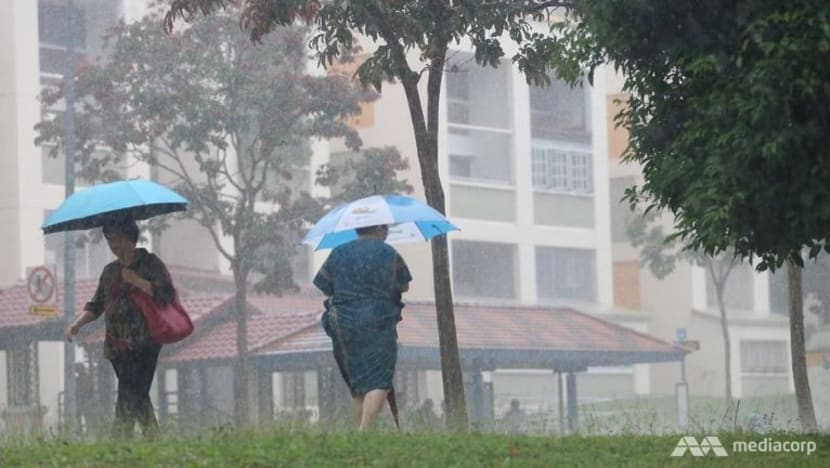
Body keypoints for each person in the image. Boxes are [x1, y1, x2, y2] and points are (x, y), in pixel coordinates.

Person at [65, 217, 175, 439]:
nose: (113, 245)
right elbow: (97, 305)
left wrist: (138, 281)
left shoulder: (150, 263)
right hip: (117, 346)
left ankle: (118, 440)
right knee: (137, 394)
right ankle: (153, 438)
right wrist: (77, 324)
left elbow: (167, 295)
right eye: (109, 240)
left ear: (129, 238)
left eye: (116, 239)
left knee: (128, 392)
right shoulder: (110, 271)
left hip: (146, 343)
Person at [313, 224, 412, 430]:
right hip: (378, 319)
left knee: (359, 385)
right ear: (378, 228)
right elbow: (403, 285)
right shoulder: (389, 253)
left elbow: (324, 285)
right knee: (380, 380)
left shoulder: (338, 252)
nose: (387, 232)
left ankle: (356, 439)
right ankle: (364, 432)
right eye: (385, 228)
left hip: (342, 322)